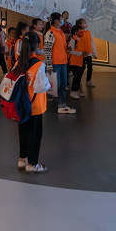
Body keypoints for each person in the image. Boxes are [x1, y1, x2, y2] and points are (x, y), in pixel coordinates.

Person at [13, 32, 50, 174]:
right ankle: (32, 164)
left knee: (23, 132)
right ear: (37, 45)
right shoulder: (38, 65)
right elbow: (41, 87)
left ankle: (22, 159)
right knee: (35, 135)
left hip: (22, 104)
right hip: (35, 106)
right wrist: (49, 84)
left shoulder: (18, 62)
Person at [44, 12, 76, 114]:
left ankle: (62, 104)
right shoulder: (50, 33)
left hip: (63, 63)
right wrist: (49, 65)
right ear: (56, 21)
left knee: (63, 85)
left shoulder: (60, 32)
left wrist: (67, 49)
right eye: (61, 19)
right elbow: (47, 50)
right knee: (56, 86)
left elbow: (61, 47)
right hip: (55, 64)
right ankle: (59, 105)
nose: (62, 20)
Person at [75, 18, 97, 87]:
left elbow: (92, 43)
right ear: (79, 25)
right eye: (84, 23)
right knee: (81, 69)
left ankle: (88, 81)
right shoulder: (78, 33)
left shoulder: (88, 32)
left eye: (85, 22)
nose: (85, 24)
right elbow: (76, 44)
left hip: (89, 54)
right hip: (81, 55)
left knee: (90, 67)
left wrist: (94, 53)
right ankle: (78, 81)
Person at [68, 25, 85, 100]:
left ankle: (77, 91)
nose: (81, 32)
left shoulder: (79, 39)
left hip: (80, 61)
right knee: (76, 77)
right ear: (75, 32)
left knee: (78, 77)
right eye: (80, 31)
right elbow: (69, 51)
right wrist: (80, 53)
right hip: (74, 62)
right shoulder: (73, 40)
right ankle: (73, 92)